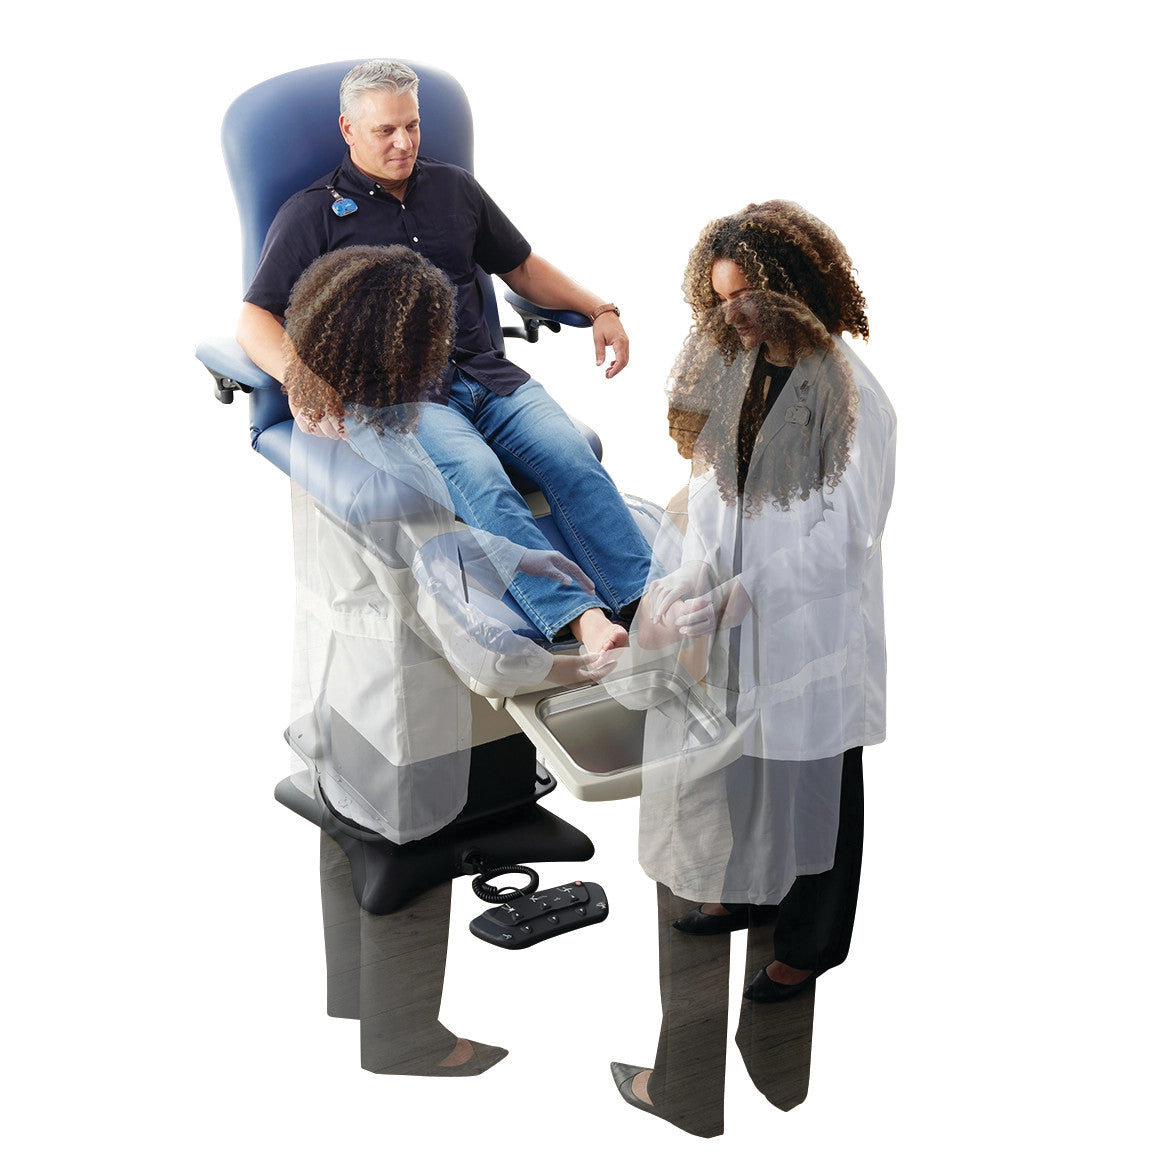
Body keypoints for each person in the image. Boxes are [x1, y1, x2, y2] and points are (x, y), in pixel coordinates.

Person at [283, 244, 612, 1077]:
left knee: (346, 811)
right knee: (407, 839)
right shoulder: (410, 478)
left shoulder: (334, 417)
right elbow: (488, 654)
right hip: (416, 723)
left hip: (342, 698)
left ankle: (352, 1002)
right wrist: (580, 670)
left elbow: (463, 555)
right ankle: (405, 1040)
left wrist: (533, 567)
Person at [609, 202, 896, 1135]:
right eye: (724, 300)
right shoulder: (740, 372)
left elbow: (843, 536)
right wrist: (696, 577)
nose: (737, 316)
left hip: (811, 634)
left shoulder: (855, 395)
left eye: (753, 296)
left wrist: (747, 595)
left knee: (817, 775)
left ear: (799, 286)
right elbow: (712, 498)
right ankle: (742, 889)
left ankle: (805, 950)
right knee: (742, 758)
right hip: (740, 623)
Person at [237, 59, 651, 657]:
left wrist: (600, 308)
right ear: (348, 129)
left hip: (487, 376)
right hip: (395, 399)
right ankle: (582, 620)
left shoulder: (454, 187)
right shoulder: (312, 214)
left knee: (572, 457)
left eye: (413, 125)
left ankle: (649, 600)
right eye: (385, 131)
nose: (403, 143)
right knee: (480, 478)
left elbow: (522, 266)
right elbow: (255, 318)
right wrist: (299, 375)